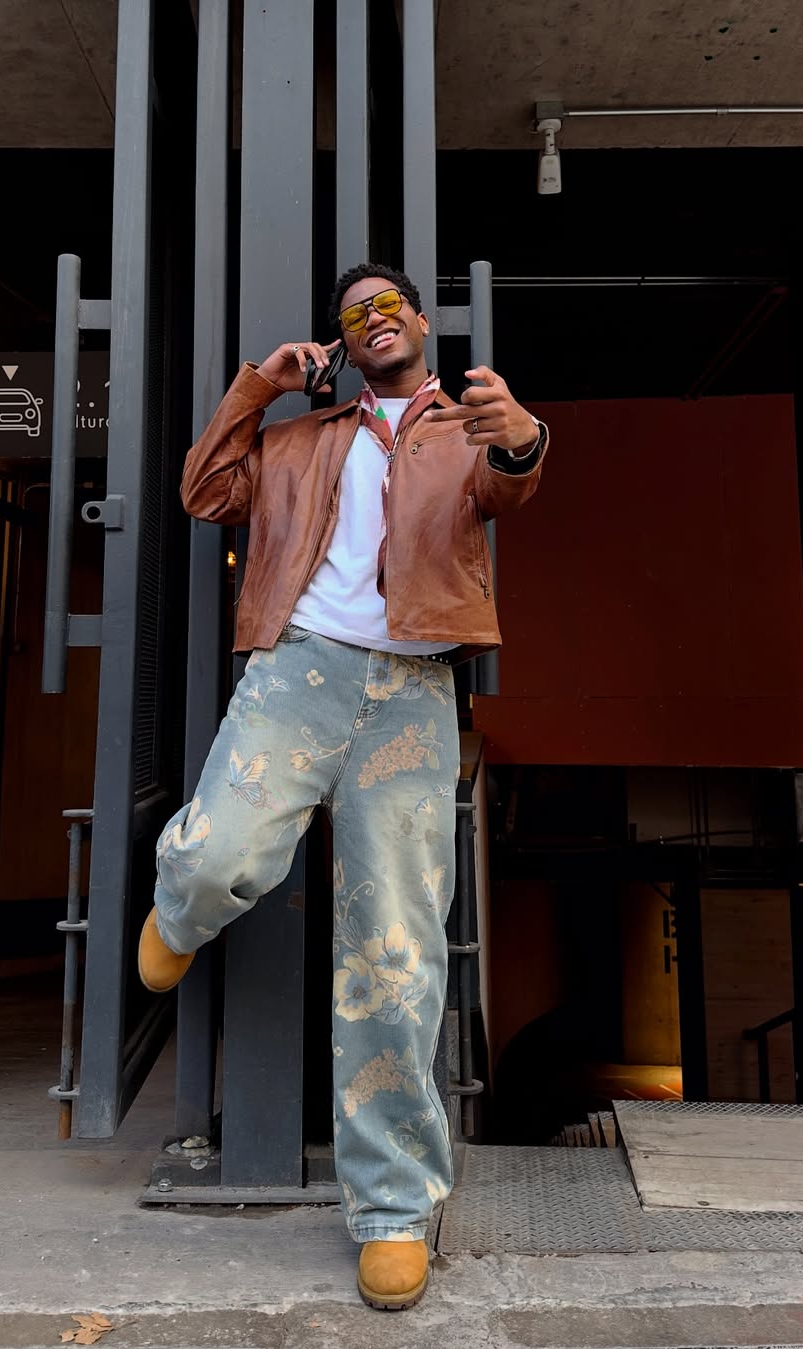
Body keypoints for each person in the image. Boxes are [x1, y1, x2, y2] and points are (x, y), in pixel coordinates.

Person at [138, 264, 548, 1310]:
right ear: (342, 344)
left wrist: (521, 436)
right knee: (222, 851)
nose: (376, 319)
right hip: (298, 670)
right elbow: (203, 492)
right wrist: (259, 387)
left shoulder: (466, 429)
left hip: (413, 691)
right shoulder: (300, 440)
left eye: (389, 305)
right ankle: (181, 908)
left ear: (421, 322)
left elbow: (511, 483)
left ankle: (394, 1208)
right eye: (355, 313)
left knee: (394, 946)